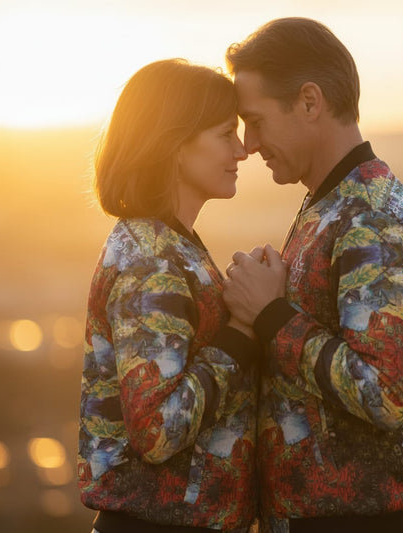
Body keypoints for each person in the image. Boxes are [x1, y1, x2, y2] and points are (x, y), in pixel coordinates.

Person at [223, 18, 403, 533]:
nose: (249, 144)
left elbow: (384, 393)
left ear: (309, 101)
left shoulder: (372, 218)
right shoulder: (333, 203)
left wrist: (271, 315)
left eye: (255, 121)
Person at [77, 59, 260, 533]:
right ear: (175, 145)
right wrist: (241, 333)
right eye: (226, 134)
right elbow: (157, 430)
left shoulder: (169, 245)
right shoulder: (150, 262)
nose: (242, 151)